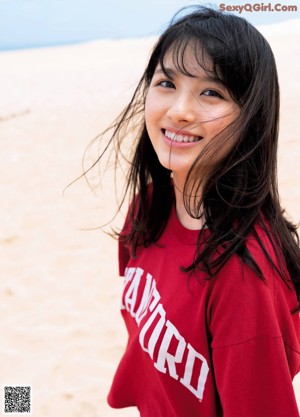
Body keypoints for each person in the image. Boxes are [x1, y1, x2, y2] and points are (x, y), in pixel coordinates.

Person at [89, 6, 300, 416]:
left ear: (250, 117)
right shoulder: (149, 207)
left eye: (211, 92)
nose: (180, 110)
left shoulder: (241, 275)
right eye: (166, 82)